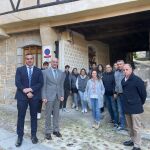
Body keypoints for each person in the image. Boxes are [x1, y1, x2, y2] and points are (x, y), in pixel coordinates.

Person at [15, 54, 43, 147]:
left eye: (31, 59)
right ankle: (19, 137)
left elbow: (40, 83)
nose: (29, 60)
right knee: (21, 117)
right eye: (27, 59)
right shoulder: (20, 70)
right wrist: (25, 91)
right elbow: (17, 82)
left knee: (34, 117)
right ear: (25, 60)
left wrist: (31, 89)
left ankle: (33, 136)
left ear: (33, 60)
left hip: (34, 96)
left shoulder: (38, 71)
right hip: (22, 96)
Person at [122, 64, 147, 150]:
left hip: (135, 107)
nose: (125, 71)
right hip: (127, 106)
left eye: (127, 69)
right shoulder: (123, 80)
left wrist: (139, 103)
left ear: (131, 69)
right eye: (124, 70)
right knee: (130, 126)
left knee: (136, 127)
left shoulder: (137, 80)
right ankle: (132, 140)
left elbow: (143, 94)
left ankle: (137, 145)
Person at [42, 58, 64, 140]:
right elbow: (43, 85)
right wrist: (44, 96)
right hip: (48, 96)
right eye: (53, 62)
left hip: (58, 96)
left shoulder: (60, 72)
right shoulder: (45, 72)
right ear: (51, 63)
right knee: (48, 114)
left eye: (56, 62)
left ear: (57, 63)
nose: (55, 63)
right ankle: (48, 132)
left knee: (56, 114)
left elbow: (61, 85)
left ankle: (56, 130)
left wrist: (62, 95)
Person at [114, 60, 126, 130]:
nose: (119, 65)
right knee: (120, 110)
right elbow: (116, 84)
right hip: (118, 94)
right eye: (118, 64)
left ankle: (130, 125)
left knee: (127, 110)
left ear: (123, 64)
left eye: (120, 64)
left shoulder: (126, 71)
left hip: (125, 94)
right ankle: (122, 125)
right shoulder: (116, 73)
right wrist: (115, 92)